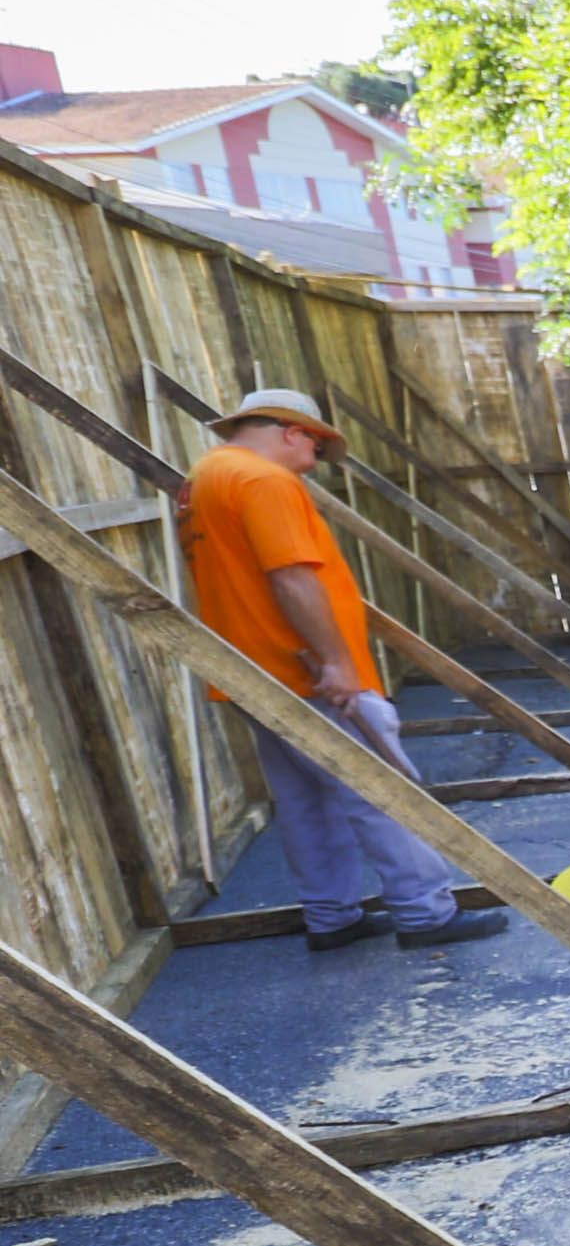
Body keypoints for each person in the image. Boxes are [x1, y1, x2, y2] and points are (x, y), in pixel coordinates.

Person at [177, 388, 509, 953]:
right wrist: (337, 663)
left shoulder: (204, 478)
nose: (312, 463)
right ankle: (425, 913)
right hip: (305, 671)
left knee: (307, 801)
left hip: (250, 671)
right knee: (380, 789)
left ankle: (331, 917)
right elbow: (292, 577)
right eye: (314, 447)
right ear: (292, 431)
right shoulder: (263, 480)